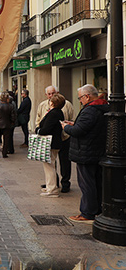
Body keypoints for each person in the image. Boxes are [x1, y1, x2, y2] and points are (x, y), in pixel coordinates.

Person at [62, 85, 108, 221]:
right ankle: (97, 209)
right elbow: (87, 127)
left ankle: (87, 213)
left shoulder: (90, 110)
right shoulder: (103, 107)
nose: (80, 100)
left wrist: (67, 127)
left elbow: (78, 131)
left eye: (80, 98)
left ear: (87, 96)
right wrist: (74, 124)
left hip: (86, 151)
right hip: (97, 150)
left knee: (87, 183)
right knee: (96, 182)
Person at [35, 83, 74, 193]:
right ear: (46, 95)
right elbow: (38, 119)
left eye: (53, 93)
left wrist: (39, 130)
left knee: (64, 162)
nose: (51, 95)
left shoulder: (66, 105)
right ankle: (53, 183)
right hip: (49, 139)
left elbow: (71, 118)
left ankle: (64, 183)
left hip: (63, 138)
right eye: (49, 94)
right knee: (51, 164)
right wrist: (38, 127)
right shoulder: (43, 105)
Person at [37, 94, 65, 195]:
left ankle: (52, 189)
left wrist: (38, 130)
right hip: (54, 142)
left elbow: (45, 129)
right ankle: (50, 186)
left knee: (49, 166)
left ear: (52, 103)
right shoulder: (58, 112)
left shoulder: (53, 113)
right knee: (50, 165)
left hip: (50, 142)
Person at [0, 93, 16, 159]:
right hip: (7, 125)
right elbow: (13, 116)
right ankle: (4, 153)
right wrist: (12, 123)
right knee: (6, 140)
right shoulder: (11, 106)